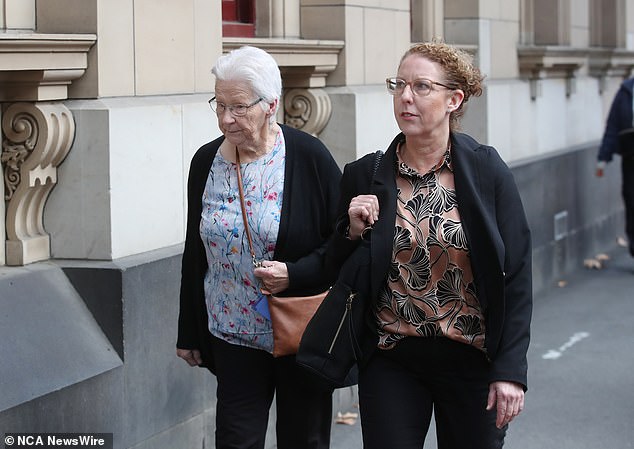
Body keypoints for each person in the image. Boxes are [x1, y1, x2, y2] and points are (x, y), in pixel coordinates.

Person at [326, 41, 533, 449]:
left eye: (421, 86)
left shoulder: (485, 171)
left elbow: (518, 275)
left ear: (453, 99)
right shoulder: (364, 175)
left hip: (472, 359)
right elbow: (334, 265)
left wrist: (510, 370)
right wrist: (350, 230)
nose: (405, 97)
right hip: (392, 358)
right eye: (399, 85)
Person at [176, 45, 341, 449]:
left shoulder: (308, 157)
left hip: (300, 332)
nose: (225, 119)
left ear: (270, 105)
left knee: (303, 439)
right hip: (232, 333)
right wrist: (189, 328)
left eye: (238, 107)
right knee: (235, 439)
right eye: (218, 104)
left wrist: (295, 274)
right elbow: (196, 249)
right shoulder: (205, 163)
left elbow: (342, 243)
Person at [596, 76, 634, 257]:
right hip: (631, 158)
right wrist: (603, 157)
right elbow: (613, 124)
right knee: (632, 202)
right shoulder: (626, 91)